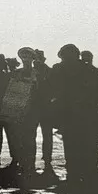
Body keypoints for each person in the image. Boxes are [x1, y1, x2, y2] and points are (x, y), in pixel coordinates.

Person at [49, 44, 98, 184]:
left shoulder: (59, 69)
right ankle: (86, 173)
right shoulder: (93, 71)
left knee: (72, 146)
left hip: (71, 116)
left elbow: (52, 90)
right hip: (87, 116)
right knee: (88, 146)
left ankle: (75, 173)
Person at [0, 47, 39, 180]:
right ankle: (20, 162)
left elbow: (40, 91)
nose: (25, 59)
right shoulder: (16, 73)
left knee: (30, 138)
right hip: (17, 111)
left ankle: (30, 165)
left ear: (33, 58)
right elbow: (10, 92)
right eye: (23, 56)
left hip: (32, 111)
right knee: (18, 138)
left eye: (28, 56)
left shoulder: (37, 73)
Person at [81, 50, 98, 169]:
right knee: (91, 140)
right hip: (89, 111)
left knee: (90, 140)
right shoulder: (97, 73)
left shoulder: (96, 73)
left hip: (90, 111)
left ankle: (90, 165)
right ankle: (91, 165)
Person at [34, 49, 55, 177]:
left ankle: (47, 159)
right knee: (43, 135)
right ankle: (44, 159)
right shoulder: (47, 71)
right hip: (38, 107)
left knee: (46, 135)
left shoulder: (49, 72)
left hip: (44, 107)